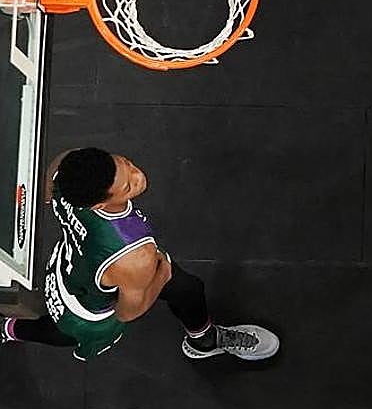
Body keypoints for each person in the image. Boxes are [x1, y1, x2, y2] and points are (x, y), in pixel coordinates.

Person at [0, 147, 279, 361]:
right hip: (89, 306)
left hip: (73, 265)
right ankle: (8, 329)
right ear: (101, 202)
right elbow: (127, 312)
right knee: (66, 330)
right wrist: (161, 275)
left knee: (188, 288)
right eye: (128, 186)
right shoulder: (137, 256)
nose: (138, 176)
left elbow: (59, 163)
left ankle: (203, 340)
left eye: (127, 164)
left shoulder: (70, 176)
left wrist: (48, 196)